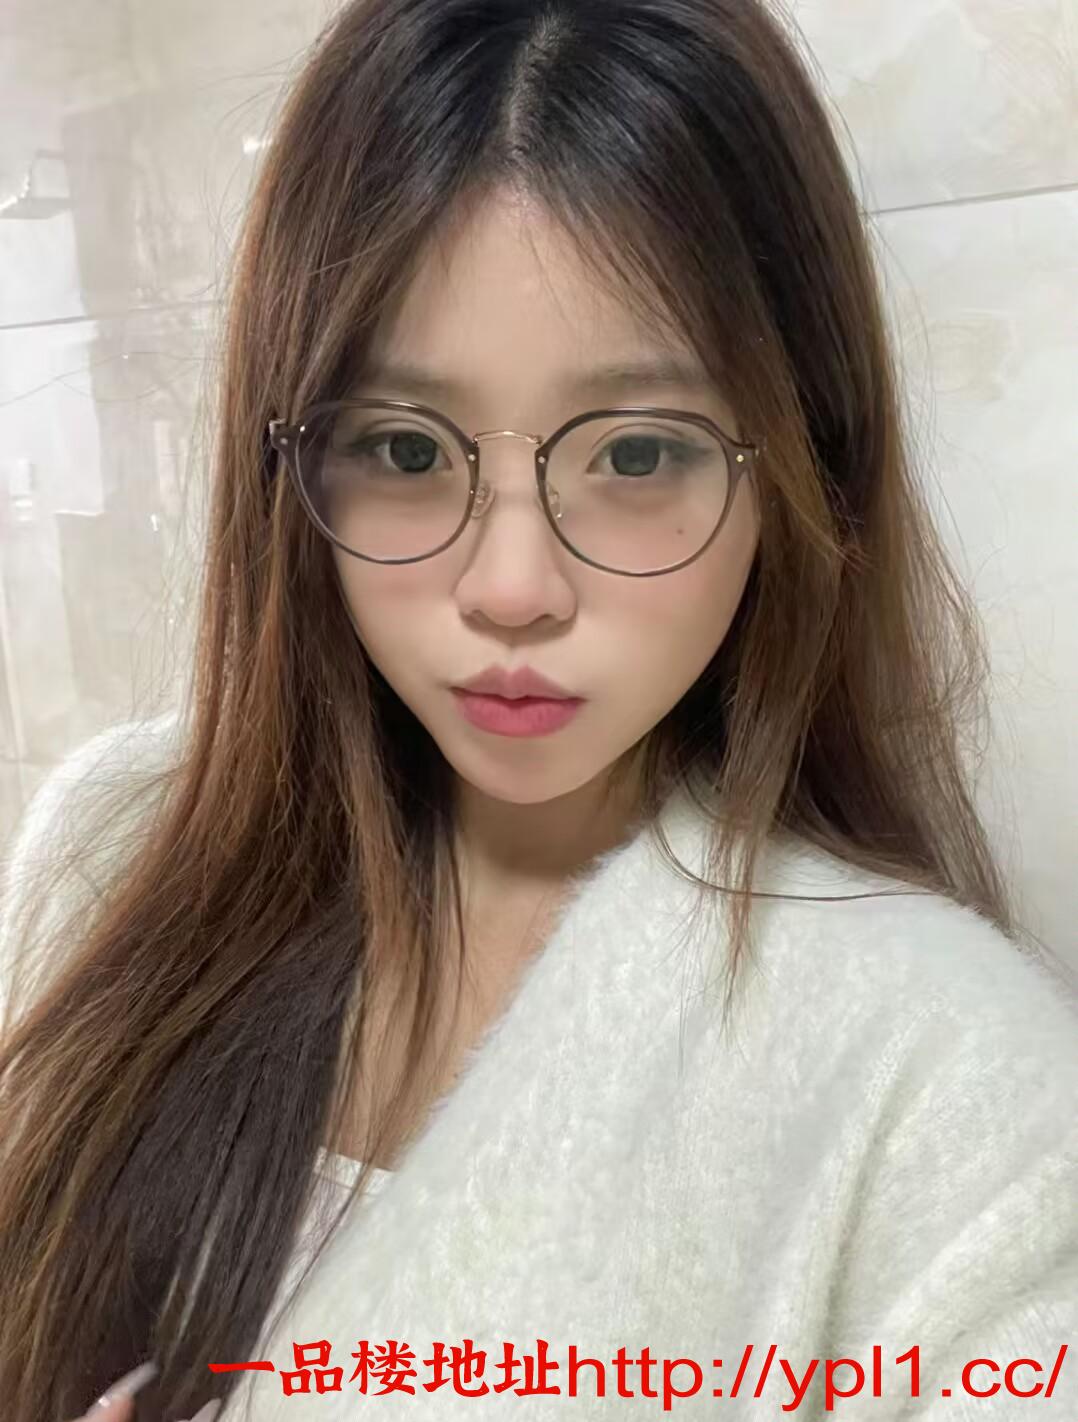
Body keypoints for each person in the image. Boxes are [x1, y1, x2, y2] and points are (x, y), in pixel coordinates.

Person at [1, 0, 1075, 1418]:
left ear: (802, 466)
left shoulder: (946, 1078)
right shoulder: (115, 853)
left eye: (636, 453)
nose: (511, 587)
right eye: (403, 449)